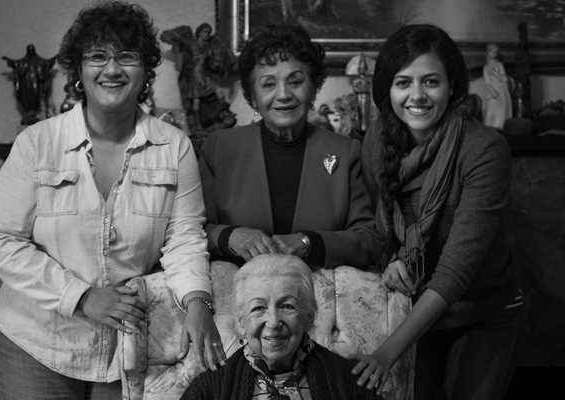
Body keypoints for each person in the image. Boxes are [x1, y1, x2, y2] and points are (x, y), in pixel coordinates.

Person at [0, 2, 226, 399]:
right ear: (78, 70)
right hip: (35, 343)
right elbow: (1, 241)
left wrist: (198, 301)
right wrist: (81, 297)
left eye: (126, 57)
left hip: (124, 347)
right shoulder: (36, 143)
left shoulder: (174, 146)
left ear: (146, 71)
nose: (111, 69)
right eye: (97, 56)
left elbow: (183, 237)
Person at [355, 24, 522, 399]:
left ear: (452, 86)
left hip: (484, 310)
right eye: (403, 83)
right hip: (416, 311)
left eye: (431, 81)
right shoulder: (377, 139)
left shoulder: (484, 149)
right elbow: (378, 224)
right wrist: (390, 260)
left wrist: (385, 355)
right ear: (387, 89)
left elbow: (454, 272)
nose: (417, 95)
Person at [199, 24, 383, 269]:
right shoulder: (219, 148)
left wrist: (309, 243)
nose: (284, 94)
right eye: (268, 84)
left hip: (318, 289)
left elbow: (369, 240)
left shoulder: (346, 151)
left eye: (295, 81)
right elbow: (192, 230)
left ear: (314, 89)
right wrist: (229, 236)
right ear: (252, 96)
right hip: (239, 287)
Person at [181, 254, 382, 399]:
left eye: (287, 306)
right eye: (258, 308)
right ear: (241, 322)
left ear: (308, 318)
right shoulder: (209, 389)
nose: (274, 322)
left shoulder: (350, 382)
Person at [482, 43, 512, 130]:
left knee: (501, 116)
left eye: (496, 52)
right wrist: (495, 94)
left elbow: (505, 79)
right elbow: (487, 83)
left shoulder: (499, 65)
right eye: (492, 52)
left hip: (501, 91)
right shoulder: (486, 67)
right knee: (490, 117)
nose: (494, 54)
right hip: (492, 93)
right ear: (487, 52)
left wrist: (494, 73)